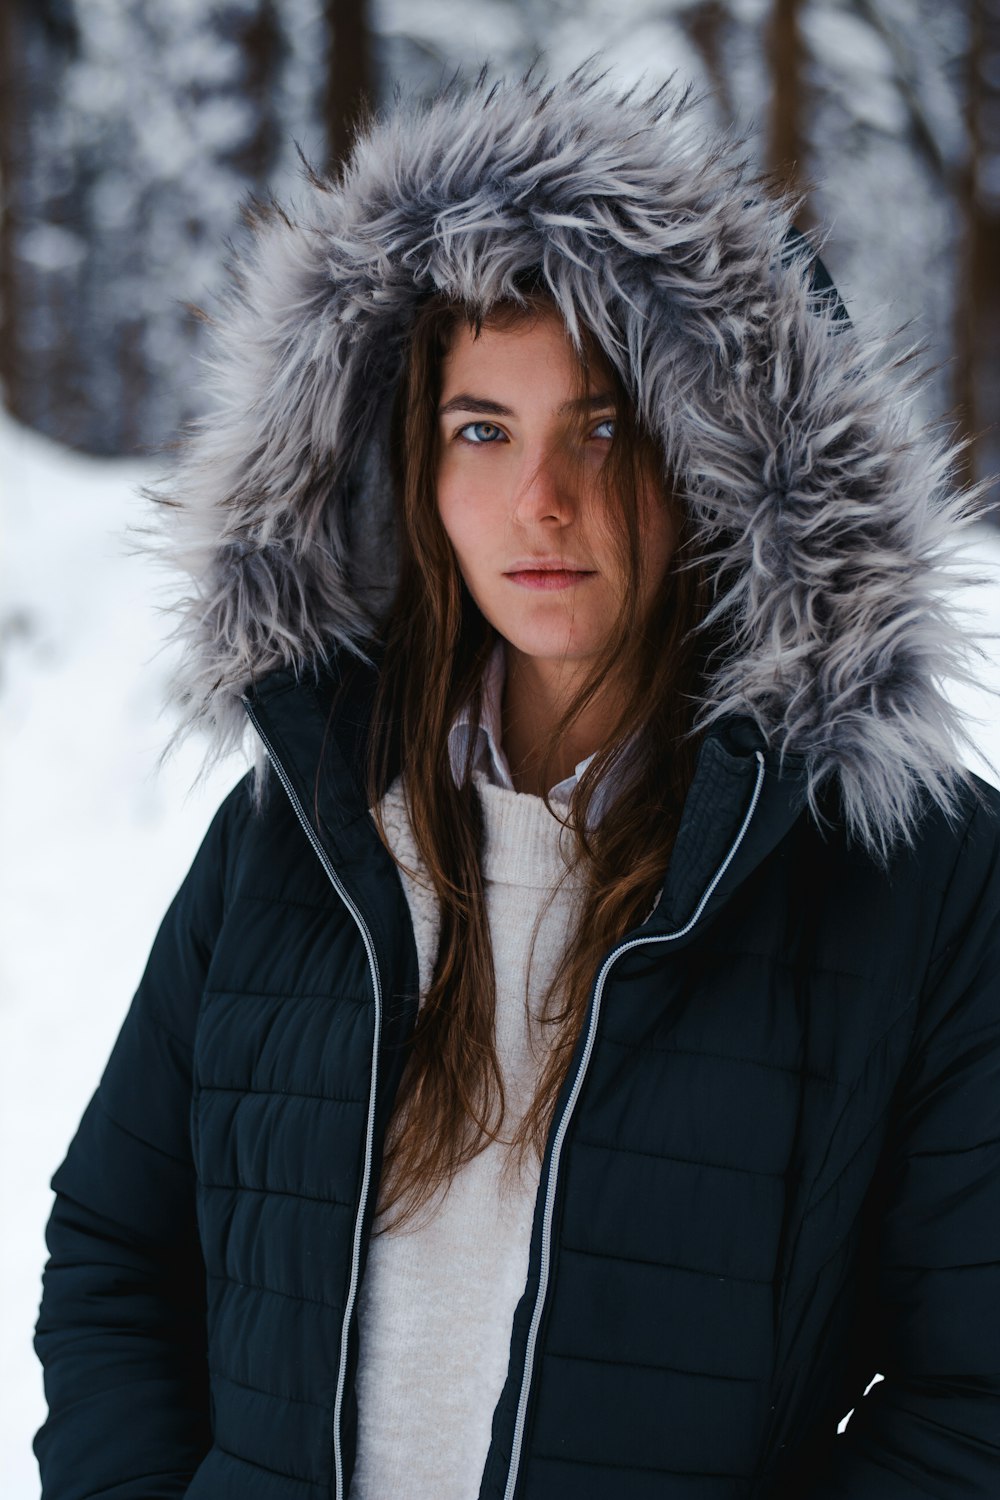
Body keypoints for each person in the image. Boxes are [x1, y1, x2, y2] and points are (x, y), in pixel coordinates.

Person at [33, 64, 1000, 1500]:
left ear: (726, 458)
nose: (539, 501)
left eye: (602, 426)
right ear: (406, 466)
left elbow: (973, 1394)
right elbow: (118, 1248)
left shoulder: (907, 874)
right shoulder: (299, 829)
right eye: (482, 428)